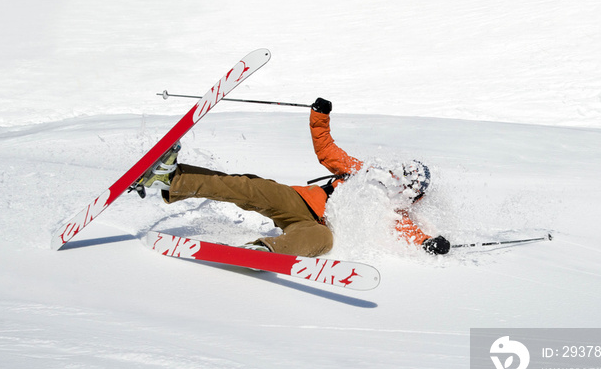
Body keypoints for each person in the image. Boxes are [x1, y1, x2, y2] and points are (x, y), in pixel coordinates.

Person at [133, 97, 450, 257]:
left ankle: (263, 250)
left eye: (412, 184)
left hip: (315, 227)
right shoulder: (364, 172)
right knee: (246, 187)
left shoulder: (396, 214)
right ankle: (170, 179)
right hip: (298, 201)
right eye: (405, 174)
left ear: (414, 195)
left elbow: (410, 234)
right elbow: (327, 152)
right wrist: (320, 116)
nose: (403, 182)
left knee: (324, 240)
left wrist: (429, 243)